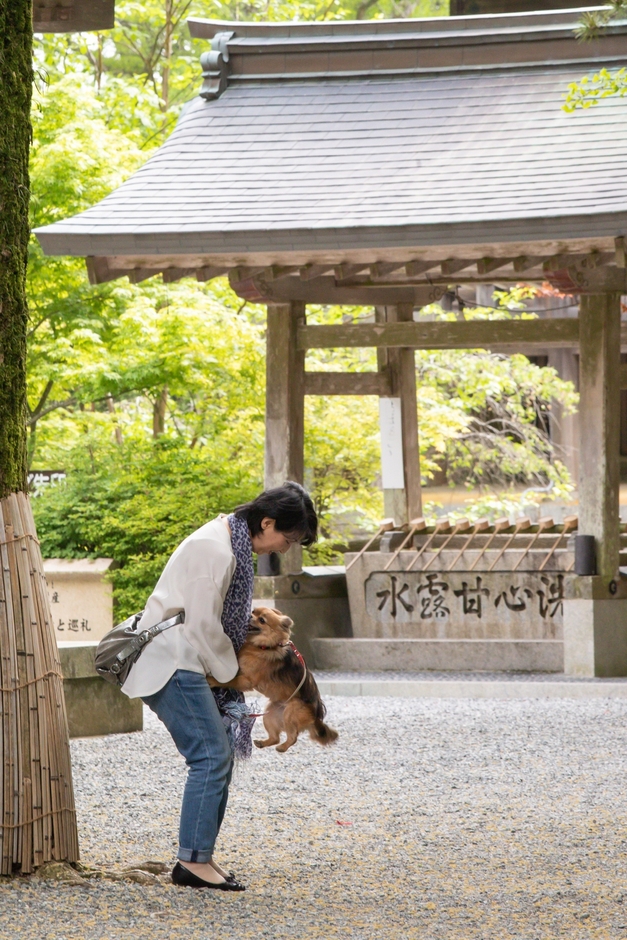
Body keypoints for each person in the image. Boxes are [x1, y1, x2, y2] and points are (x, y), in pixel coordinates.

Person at [120, 481, 317, 890]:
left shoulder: (229, 540)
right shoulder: (216, 547)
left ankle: (200, 856)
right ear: (267, 522)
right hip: (172, 659)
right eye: (288, 537)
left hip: (187, 658)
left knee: (218, 754)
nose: (285, 547)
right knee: (211, 755)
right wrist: (235, 676)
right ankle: (193, 862)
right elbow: (203, 625)